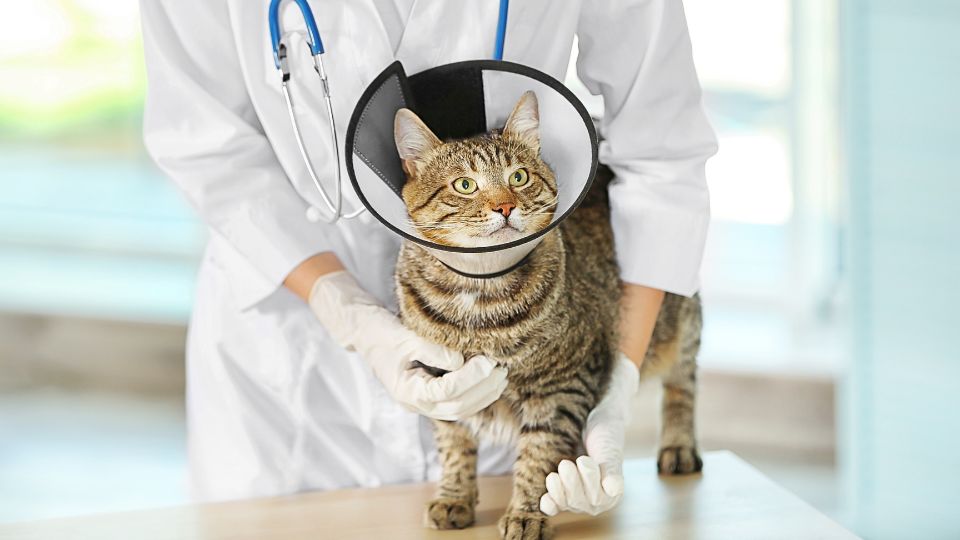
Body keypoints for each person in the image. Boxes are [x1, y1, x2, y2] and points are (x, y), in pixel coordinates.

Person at [139, 0, 717, 516]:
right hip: (290, 362)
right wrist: (349, 312)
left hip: (519, 345)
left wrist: (617, 385)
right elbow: (204, 141)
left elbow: (662, 151)